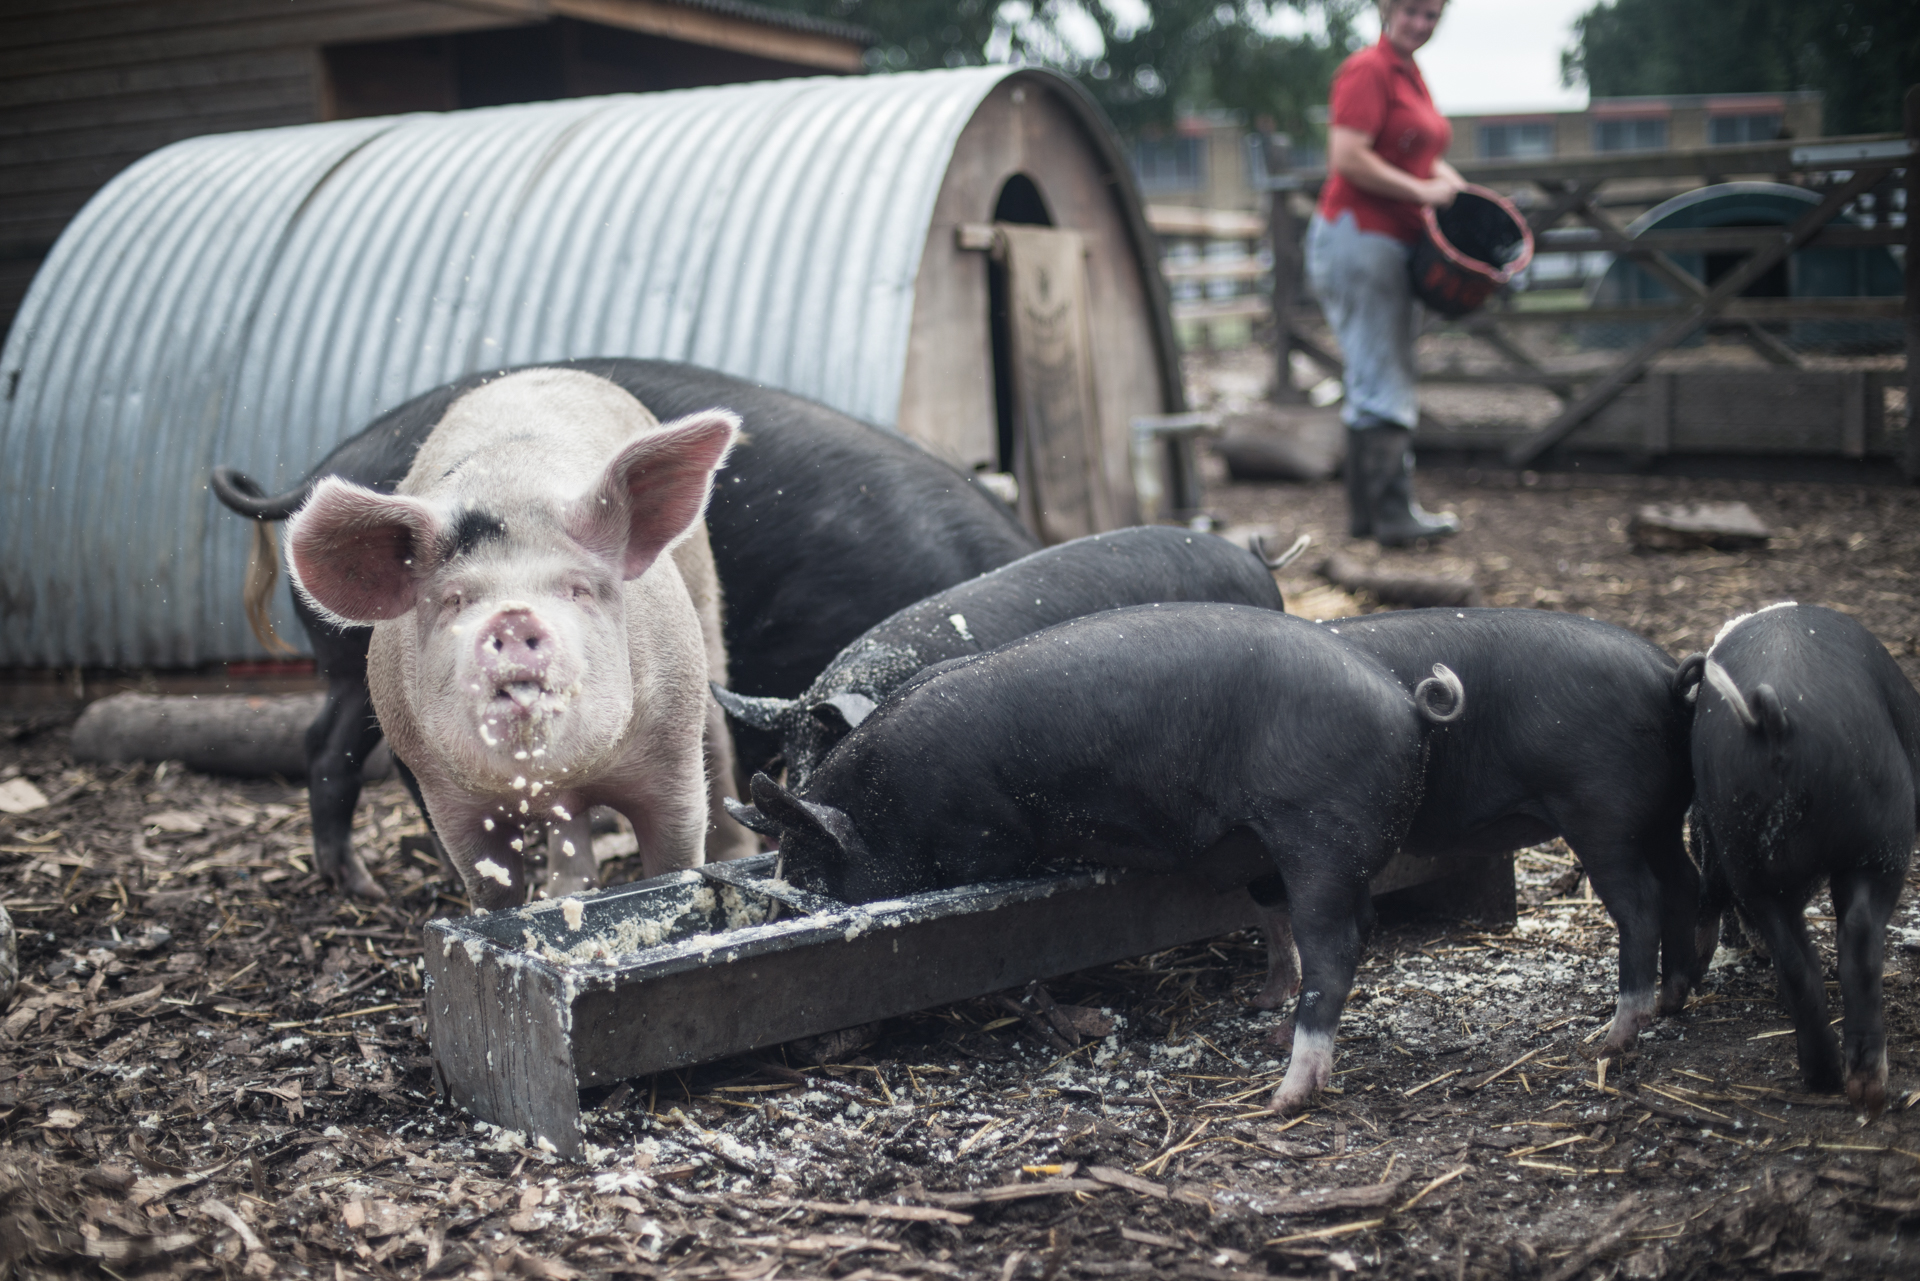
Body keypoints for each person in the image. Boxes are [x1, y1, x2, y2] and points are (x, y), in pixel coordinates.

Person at [1306, 0, 1465, 545]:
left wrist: (1454, 185)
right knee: (1382, 373)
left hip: (1388, 239)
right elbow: (1347, 156)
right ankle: (1393, 516)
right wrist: (1424, 191)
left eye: (1432, 17)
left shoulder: (1409, 74)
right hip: (1361, 235)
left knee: (1373, 371)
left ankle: (1368, 518)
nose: (1421, 24)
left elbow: (1417, 154)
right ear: (1387, 8)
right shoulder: (1368, 70)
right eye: (1413, 12)